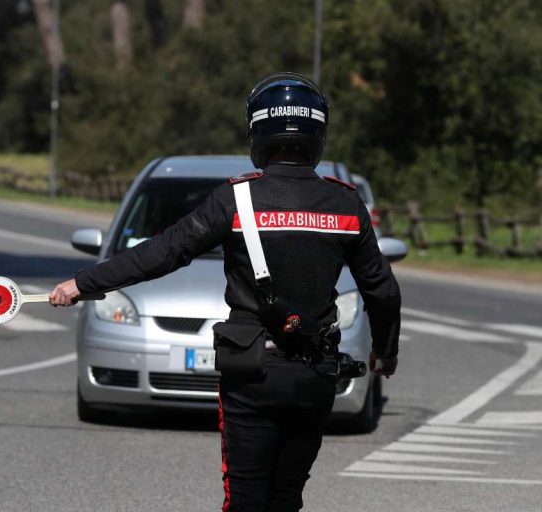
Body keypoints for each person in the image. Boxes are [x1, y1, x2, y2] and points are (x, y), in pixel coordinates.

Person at [50, 72, 401, 511]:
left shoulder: (236, 200)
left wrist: (83, 283)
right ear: (318, 133)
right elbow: (382, 292)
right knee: (287, 497)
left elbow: (164, 252)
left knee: (246, 498)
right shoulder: (346, 206)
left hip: (251, 371)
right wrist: (385, 352)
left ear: (258, 132)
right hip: (315, 375)